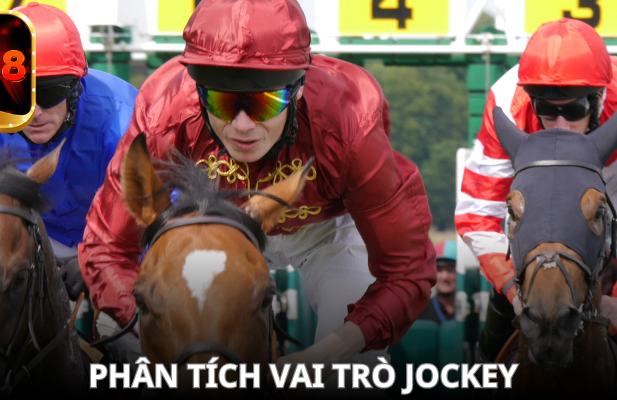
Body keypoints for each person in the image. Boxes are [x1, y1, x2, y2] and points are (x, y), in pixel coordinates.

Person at [79, 0, 436, 372]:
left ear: (298, 90)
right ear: (199, 92)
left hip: (326, 231)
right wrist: (140, 318)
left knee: (351, 368)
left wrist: (331, 350)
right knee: (137, 343)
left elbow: (406, 270)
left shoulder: (349, 123)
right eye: (222, 101)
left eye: (265, 103)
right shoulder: (163, 114)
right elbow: (108, 246)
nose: (243, 126)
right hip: (216, 224)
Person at [456, 18, 617, 395]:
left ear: (600, 97)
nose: (560, 124)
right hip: (546, 176)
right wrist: (510, 287)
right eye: (546, 108)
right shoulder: (506, 101)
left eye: (575, 109)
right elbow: (477, 214)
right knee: (515, 259)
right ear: (530, 99)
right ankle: (485, 370)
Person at [0, 2, 138, 302]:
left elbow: (156, 210)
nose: (35, 113)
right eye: (20, 94)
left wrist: (100, 257)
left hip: (119, 241)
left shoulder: (122, 118)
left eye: (49, 93)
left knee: (128, 320)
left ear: (76, 88)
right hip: (31, 237)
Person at [419, 241, 458, 325]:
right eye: (439, 270)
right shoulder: (418, 312)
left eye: (451, 270)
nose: (445, 277)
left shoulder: (474, 314)